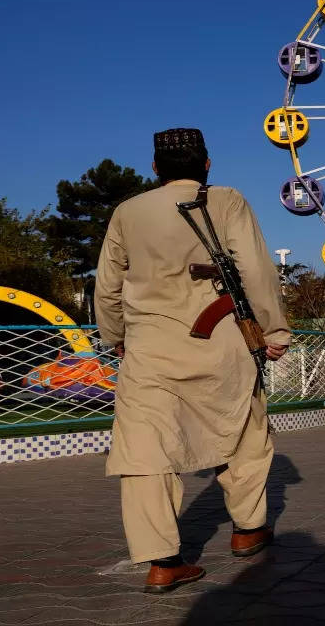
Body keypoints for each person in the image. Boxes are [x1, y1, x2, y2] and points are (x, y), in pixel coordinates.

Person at [95, 127, 292, 594]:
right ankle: (247, 531)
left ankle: (163, 561)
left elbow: (107, 286)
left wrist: (115, 337)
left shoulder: (127, 212)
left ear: (156, 168)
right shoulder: (226, 201)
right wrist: (275, 330)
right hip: (221, 339)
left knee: (145, 452)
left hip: (149, 350)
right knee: (244, 430)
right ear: (206, 163)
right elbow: (256, 269)